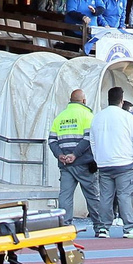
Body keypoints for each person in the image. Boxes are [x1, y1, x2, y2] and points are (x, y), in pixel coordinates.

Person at [89, 86, 133, 239]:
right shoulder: (128, 117)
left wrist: (98, 159)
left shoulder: (98, 117)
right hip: (125, 163)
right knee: (124, 196)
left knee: (105, 197)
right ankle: (129, 228)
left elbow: (92, 142)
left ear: (108, 100)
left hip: (104, 164)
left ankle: (103, 228)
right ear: (121, 100)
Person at [48, 89, 99, 228]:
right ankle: (100, 226)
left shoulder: (60, 117)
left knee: (65, 196)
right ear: (83, 101)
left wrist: (60, 155)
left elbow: (52, 140)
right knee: (92, 195)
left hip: (65, 164)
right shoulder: (87, 115)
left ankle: (64, 225)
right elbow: (89, 139)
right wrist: (75, 155)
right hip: (84, 164)